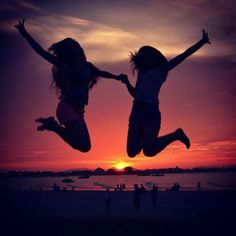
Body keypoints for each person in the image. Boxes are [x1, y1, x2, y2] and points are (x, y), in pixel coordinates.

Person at [15, 19, 125, 152]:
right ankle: (54, 126)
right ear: (68, 52)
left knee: (85, 147)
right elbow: (41, 52)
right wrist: (24, 33)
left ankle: (53, 126)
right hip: (67, 107)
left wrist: (117, 77)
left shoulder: (87, 66)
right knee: (81, 145)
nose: (77, 48)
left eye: (77, 45)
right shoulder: (64, 64)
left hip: (80, 111)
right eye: (73, 47)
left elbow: (101, 73)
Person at [121, 30, 210, 157]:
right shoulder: (141, 73)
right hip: (136, 111)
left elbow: (183, 56)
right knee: (131, 152)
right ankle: (144, 138)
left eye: (150, 56)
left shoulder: (161, 70)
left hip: (151, 112)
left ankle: (176, 135)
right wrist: (127, 83)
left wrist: (201, 42)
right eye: (145, 56)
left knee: (149, 151)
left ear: (155, 59)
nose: (148, 58)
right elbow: (137, 94)